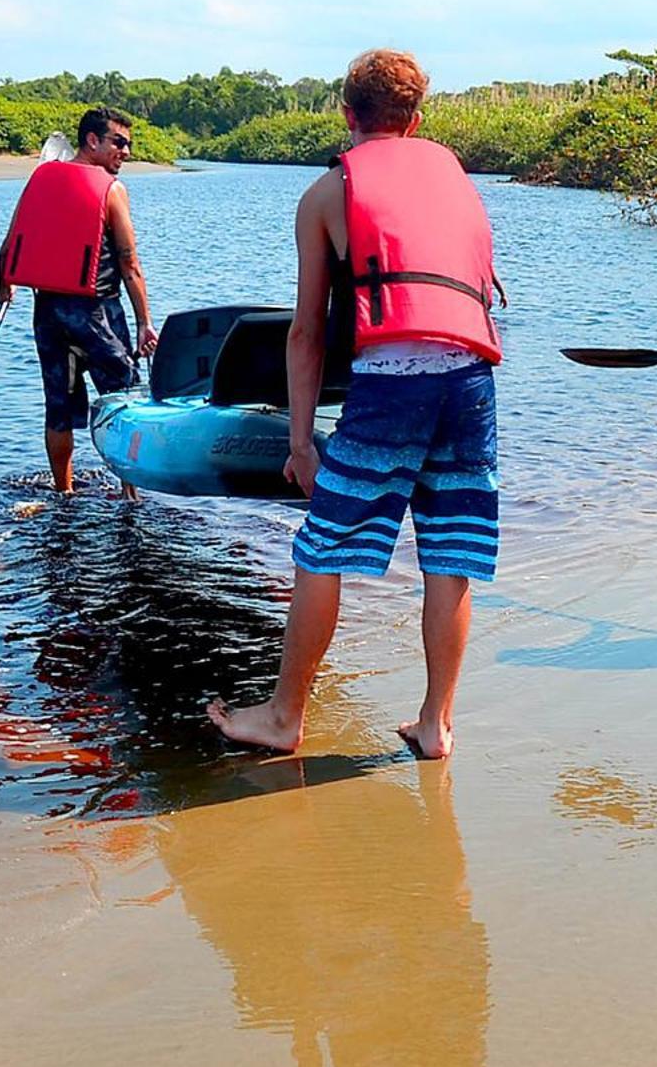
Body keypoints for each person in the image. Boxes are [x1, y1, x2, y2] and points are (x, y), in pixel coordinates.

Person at [209, 49, 503, 759]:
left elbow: (307, 332)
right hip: (470, 383)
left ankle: (283, 718)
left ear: (346, 114)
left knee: (322, 550)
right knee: (449, 552)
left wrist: (301, 442)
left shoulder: (324, 194)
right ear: (417, 120)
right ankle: (435, 724)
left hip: (391, 389)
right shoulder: (454, 177)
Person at [0, 105, 159, 494]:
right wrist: (144, 323)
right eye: (118, 143)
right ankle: (130, 495)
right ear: (92, 140)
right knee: (125, 405)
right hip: (97, 314)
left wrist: (5, 286)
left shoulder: (40, 179)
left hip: (48, 313)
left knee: (59, 408)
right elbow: (129, 262)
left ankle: (63, 492)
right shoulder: (112, 190)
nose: (126, 152)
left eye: (129, 144)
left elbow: (9, 245)